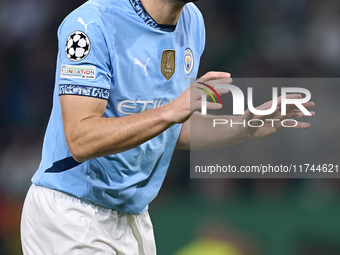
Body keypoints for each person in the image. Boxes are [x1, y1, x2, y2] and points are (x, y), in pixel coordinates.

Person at [20, 0, 315, 254]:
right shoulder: (91, 23)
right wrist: (173, 110)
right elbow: (80, 139)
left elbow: (171, 128)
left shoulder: (192, 21)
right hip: (72, 212)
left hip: (134, 218)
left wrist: (245, 126)